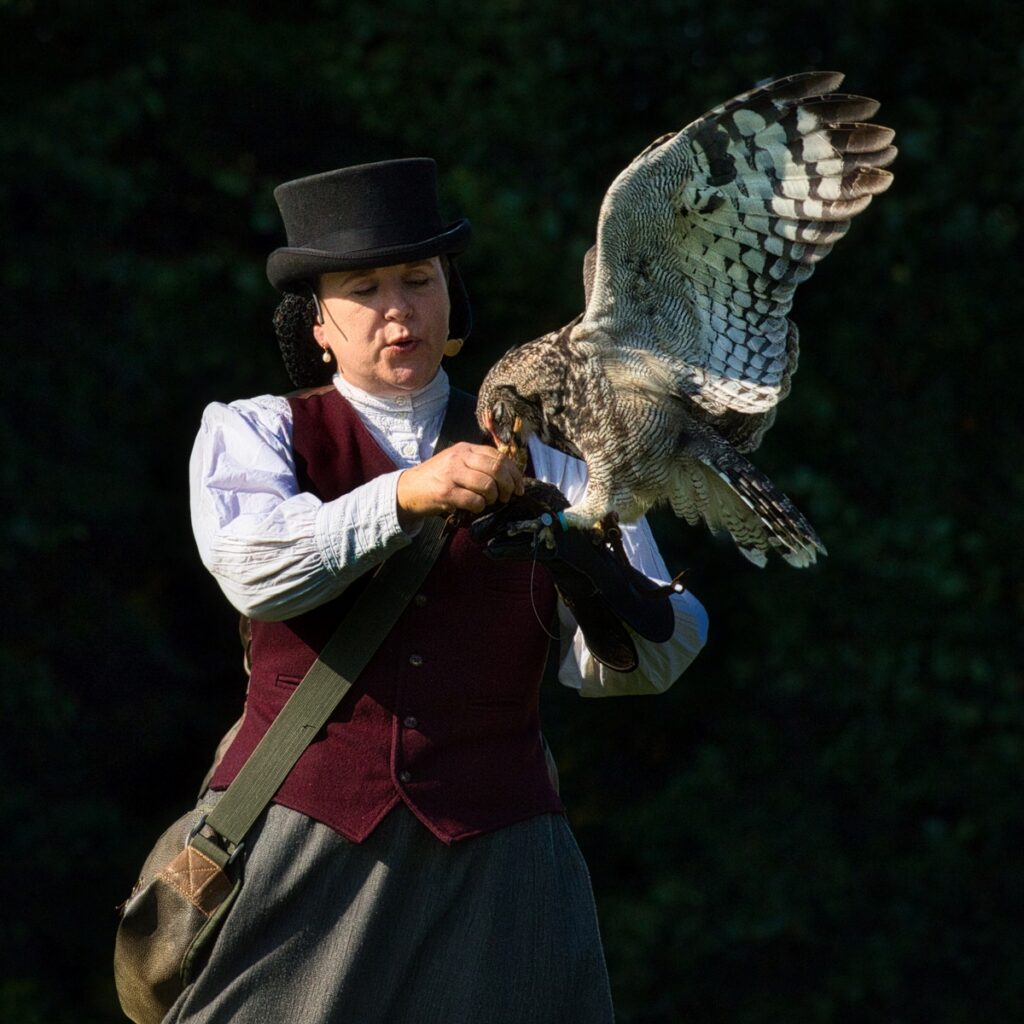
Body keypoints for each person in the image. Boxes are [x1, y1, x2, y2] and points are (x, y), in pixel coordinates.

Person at [170, 158, 708, 1023]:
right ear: (318, 323)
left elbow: (657, 657)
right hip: (305, 835)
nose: (398, 309)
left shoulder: (559, 461)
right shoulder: (256, 432)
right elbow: (251, 569)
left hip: (504, 853)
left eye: (418, 280)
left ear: (451, 296)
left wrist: (587, 563)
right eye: (365, 289)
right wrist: (405, 494)